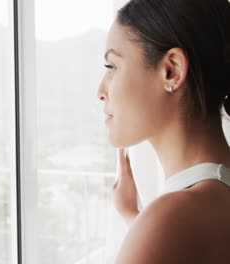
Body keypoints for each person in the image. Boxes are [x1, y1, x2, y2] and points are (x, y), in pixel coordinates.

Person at [97, 0, 230, 262]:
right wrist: (132, 216)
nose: (101, 91)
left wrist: (147, 224)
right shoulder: (209, 200)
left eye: (112, 67)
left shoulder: (171, 218)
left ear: (172, 71)